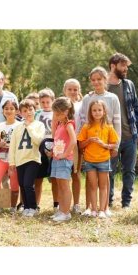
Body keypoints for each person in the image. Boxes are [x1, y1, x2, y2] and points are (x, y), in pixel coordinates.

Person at [78, 66, 121, 216]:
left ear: (105, 80)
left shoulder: (112, 98)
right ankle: (90, 207)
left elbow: (117, 123)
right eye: (93, 80)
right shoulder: (87, 98)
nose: (96, 82)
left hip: (107, 144)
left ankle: (105, 207)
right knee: (90, 180)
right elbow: (83, 120)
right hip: (89, 147)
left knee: (106, 178)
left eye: (99, 79)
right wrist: (81, 144)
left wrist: (115, 146)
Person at [107, 52, 138, 209]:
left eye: (126, 67)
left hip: (130, 135)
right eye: (123, 66)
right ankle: (108, 201)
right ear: (113, 66)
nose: (125, 69)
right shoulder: (104, 86)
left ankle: (126, 203)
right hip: (110, 138)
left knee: (129, 171)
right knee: (108, 171)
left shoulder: (129, 84)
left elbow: (136, 108)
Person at [8, 99, 45, 217]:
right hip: (20, 160)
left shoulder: (39, 125)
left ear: (35, 110)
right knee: (22, 184)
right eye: (25, 110)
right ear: (20, 113)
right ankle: (26, 206)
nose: (28, 112)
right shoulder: (17, 128)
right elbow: (12, 146)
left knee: (29, 184)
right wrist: (12, 162)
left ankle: (33, 207)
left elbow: (38, 140)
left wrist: (29, 127)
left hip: (32, 158)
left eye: (30, 109)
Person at [0, 100, 22, 213]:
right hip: (3, 157)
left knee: (14, 185)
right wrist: (0, 144)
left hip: (15, 158)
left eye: (11, 108)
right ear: (3, 111)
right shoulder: (0, 125)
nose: (9, 111)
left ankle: (13, 207)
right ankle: (1, 204)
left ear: (17, 111)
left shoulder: (20, 125)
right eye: (6, 109)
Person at [50, 97, 77, 222]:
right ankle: (61, 210)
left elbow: (73, 140)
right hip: (57, 159)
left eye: (57, 114)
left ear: (65, 112)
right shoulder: (60, 124)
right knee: (60, 186)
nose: (55, 116)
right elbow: (55, 138)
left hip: (64, 160)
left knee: (65, 186)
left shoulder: (69, 124)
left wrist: (66, 154)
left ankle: (66, 213)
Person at [34, 88, 58, 213]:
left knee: (54, 178)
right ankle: (36, 205)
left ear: (53, 101)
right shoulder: (37, 114)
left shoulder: (56, 113)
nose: (45, 104)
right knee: (38, 179)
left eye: (48, 102)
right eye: (42, 102)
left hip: (54, 148)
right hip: (40, 149)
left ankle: (56, 204)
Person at [63, 78, 83, 214]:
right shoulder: (60, 104)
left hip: (76, 143)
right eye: (69, 89)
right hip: (62, 143)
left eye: (75, 89)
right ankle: (61, 203)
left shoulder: (82, 105)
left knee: (76, 173)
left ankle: (76, 204)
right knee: (61, 175)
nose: (72, 92)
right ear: (65, 90)